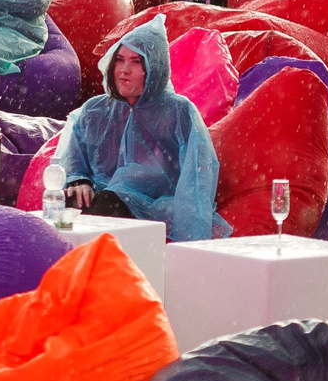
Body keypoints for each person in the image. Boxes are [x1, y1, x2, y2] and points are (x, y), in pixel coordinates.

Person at [58, 18, 228, 240]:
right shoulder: (95, 110)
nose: (124, 71)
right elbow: (74, 161)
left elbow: (196, 178)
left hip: (154, 207)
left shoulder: (179, 111)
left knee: (110, 203)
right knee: (64, 203)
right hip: (104, 201)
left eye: (136, 62)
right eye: (119, 60)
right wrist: (79, 182)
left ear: (154, 68)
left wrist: (192, 241)